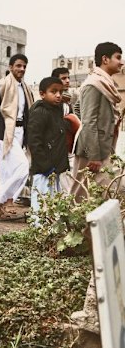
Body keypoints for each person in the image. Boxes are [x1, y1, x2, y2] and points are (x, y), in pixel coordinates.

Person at [0, 54, 34, 219]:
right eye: (18, 66)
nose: (22, 69)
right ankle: (6, 199)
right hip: (5, 132)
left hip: (21, 132)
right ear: (11, 67)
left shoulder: (26, 89)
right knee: (23, 167)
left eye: (24, 66)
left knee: (8, 171)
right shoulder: (2, 85)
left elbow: (27, 114)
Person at [70, 42, 124, 201]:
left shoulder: (105, 83)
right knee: (82, 195)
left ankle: (84, 226)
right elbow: (88, 120)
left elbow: (79, 107)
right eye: (118, 57)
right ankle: (70, 225)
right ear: (105, 59)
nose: (122, 62)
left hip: (102, 147)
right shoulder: (94, 84)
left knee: (90, 195)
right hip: (93, 151)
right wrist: (94, 155)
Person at [27, 77, 69, 217]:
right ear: (42, 94)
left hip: (54, 169)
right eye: (54, 91)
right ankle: (38, 232)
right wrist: (46, 167)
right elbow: (34, 142)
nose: (58, 95)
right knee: (41, 204)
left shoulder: (56, 111)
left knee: (53, 203)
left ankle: (50, 233)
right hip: (44, 170)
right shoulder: (40, 112)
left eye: (61, 92)